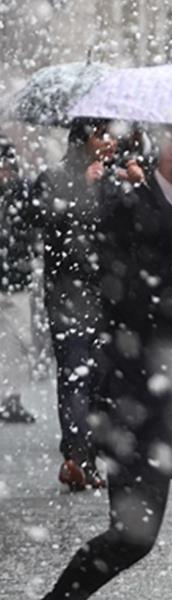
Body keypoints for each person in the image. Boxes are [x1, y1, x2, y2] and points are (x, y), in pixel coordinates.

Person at [30, 125, 172, 600]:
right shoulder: (123, 207)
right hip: (141, 407)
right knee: (133, 537)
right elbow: (130, 304)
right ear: (171, 146)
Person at [32, 119, 143, 489]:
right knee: (75, 374)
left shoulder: (118, 177)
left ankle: (89, 457)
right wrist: (82, 187)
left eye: (113, 135)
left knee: (101, 378)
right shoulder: (53, 177)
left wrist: (139, 187)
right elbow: (40, 218)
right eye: (102, 134)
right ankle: (76, 455)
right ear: (82, 140)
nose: (111, 142)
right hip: (68, 294)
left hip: (109, 295)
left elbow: (135, 229)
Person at [1, 136, 39, 424]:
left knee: (19, 343)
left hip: (14, 279)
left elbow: (32, 227)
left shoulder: (22, 193)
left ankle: (11, 398)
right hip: (14, 276)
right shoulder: (22, 193)